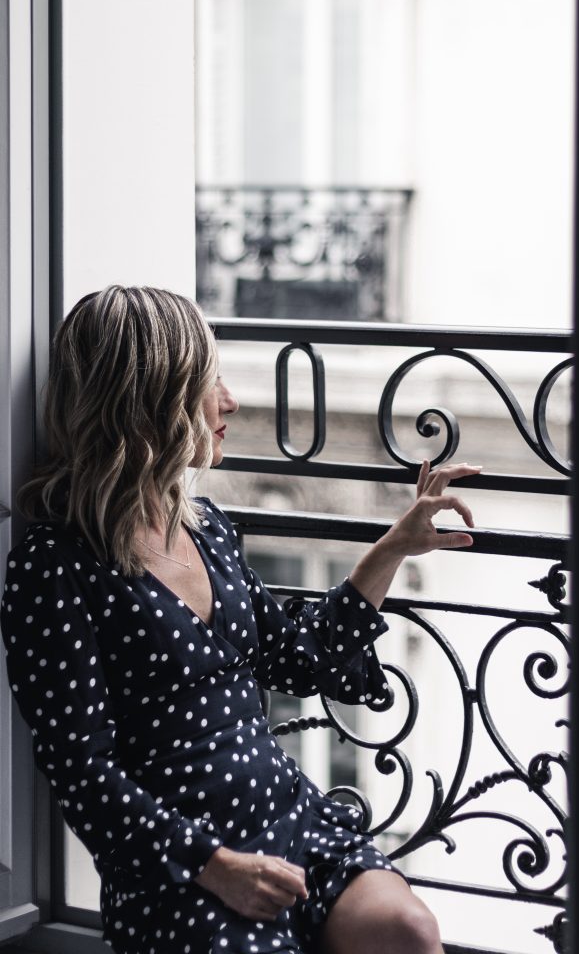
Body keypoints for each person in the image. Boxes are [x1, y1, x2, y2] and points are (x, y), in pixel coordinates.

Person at [0, 286, 481, 954]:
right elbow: (83, 773)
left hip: (289, 819)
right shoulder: (54, 566)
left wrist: (391, 548)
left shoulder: (210, 531)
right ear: (150, 400)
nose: (229, 401)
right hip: (181, 869)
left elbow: (299, 660)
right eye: (209, 382)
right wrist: (214, 866)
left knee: (406, 928)